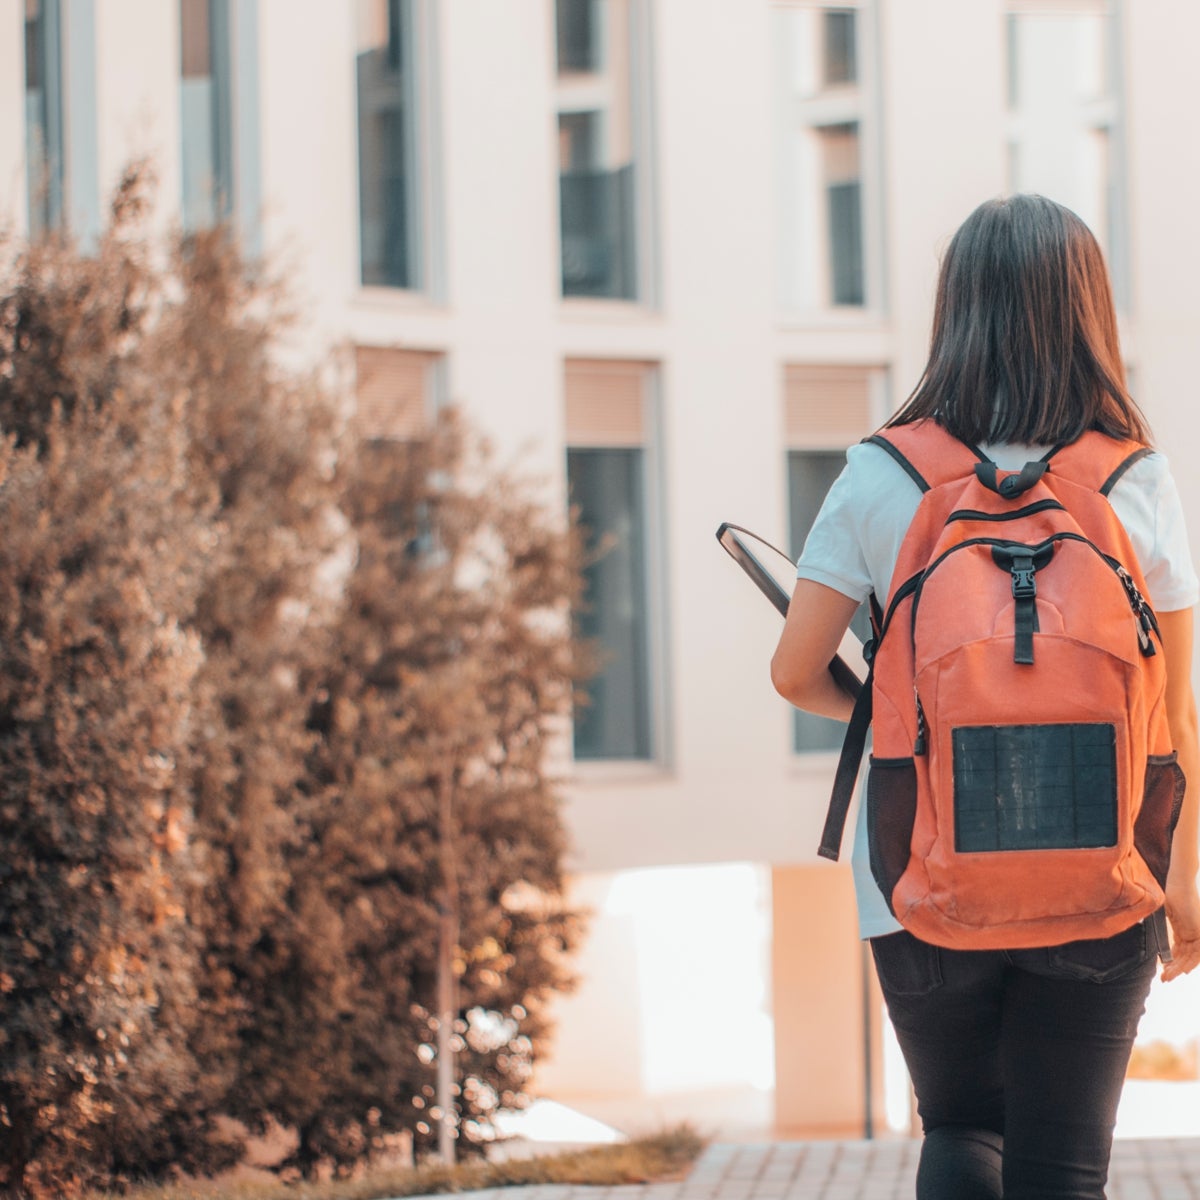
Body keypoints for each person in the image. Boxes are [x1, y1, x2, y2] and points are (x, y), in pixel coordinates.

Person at [770, 194, 1200, 1200]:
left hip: (919, 878)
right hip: (1106, 875)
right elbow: (1176, 711)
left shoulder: (882, 475)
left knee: (962, 1127)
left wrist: (896, 717)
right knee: (1065, 1168)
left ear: (953, 309)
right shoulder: (1133, 480)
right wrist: (1185, 882)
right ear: (1088, 313)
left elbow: (795, 672)